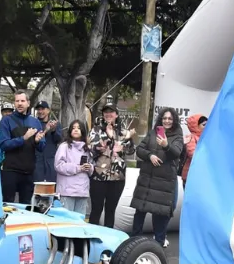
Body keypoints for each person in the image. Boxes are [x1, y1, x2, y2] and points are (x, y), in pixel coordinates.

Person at [131, 108, 184, 247]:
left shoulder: (178, 135)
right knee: (140, 213)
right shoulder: (153, 132)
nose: (166, 121)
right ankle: (133, 244)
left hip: (164, 183)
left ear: (174, 121)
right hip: (147, 181)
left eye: (170, 119)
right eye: (164, 118)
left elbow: (176, 153)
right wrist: (150, 156)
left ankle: (158, 245)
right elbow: (140, 149)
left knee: (160, 215)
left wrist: (166, 145)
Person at [87, 104, 135, 227]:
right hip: (99, 176)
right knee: (96, 209)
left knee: (111, 210)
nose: (108, 114)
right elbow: (91, 149)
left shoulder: (124, 132)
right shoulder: (96, 130)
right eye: (106, 112)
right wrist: (105, 142)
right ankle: (92, 239)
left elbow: (131, 151)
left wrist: (124, 146)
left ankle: (108, 240)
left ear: (116, 115)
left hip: (118, 177)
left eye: (111, 112)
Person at [0, 91, 46, 203]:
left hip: (28, 172)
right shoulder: (7, 120)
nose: (19, 103)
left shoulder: (35, 122)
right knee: (7, 204)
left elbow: (42, 147)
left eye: (22, 101)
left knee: (26, 205)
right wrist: (23, 138)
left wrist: (38, 141)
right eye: (17, 101)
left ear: (28, 103)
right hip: (10, 170)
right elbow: (4, 144)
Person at [54, 120, 92, 215]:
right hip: (67, 191)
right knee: (65, 221)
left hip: (82, 191)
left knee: (80, 221)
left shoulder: (87, 148)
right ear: (70, 130)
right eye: (73, 128)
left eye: (79, 128)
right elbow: (58, 165)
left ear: (83, 131)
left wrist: (89, 167)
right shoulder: (64, 146)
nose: (76, 130)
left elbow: (92, 165)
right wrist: (78, 168)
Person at [33, 101, 61, 183]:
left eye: (43, 109)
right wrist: (46, 130)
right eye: (38, 109)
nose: (40, 111)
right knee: (36, 187)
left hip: (51, 160)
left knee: (51, 187)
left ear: (48, 110)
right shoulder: (33, 123)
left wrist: (53, 130)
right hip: (37, 161)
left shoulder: (55, 123)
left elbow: (58, 140)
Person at [181, 114, 207, 185]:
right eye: (204, 125)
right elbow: (193, 154)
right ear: (196, 126)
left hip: (201, 176)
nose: (207, 126)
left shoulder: (207, 138)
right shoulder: (191, 138)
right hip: (191, 176)